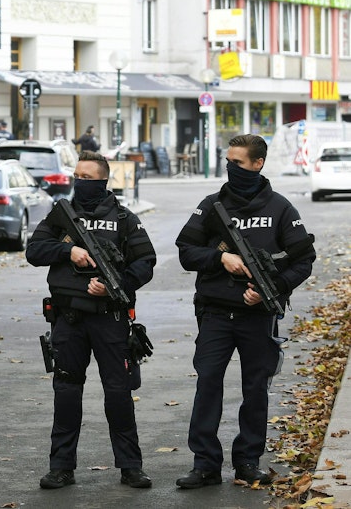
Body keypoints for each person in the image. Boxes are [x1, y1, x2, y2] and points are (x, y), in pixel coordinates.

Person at [175, 134, 315, 490]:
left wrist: (275, 289)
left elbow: (304, 260)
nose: (230, 167)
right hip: (216, 313)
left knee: (255, 390)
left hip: (258, 316)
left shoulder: (281, 208)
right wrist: (220, 257)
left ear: (257, 164)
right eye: (228, 161)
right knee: (208, 384)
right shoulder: (211, 206)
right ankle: (205, 464)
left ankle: (248, 462)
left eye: (238, 162)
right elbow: (186, 251)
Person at [27, 151, 157, 490]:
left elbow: (146, 260)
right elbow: (34, 251)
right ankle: (61, 467)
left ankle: (130, 467)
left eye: (87, 177)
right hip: (68, 320)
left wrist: (117, 286)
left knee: (118, 393)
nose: (80, 182)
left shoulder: (125, 219)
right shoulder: (61, 217)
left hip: (109, 318)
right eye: (77, 176)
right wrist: (67, 251)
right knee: (67, 392)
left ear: (102, 180)